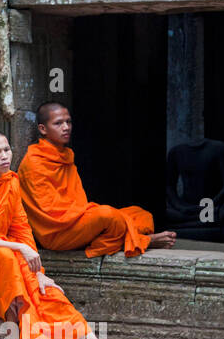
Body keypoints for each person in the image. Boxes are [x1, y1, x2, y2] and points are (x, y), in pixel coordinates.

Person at [0, 130, 128, 339]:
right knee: (6, 258)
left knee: (49, 292)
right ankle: (15, 331)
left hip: (8, 251)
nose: (4, 156)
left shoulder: (11, 181)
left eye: (7, 150)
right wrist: (20, 248)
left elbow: (20, 227)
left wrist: (38, 272)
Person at [17, 103, 176, 257]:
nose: (66, 127)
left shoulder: (65, 155)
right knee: (107, 216)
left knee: (141, 215)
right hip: (57, 233)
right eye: (58, 123)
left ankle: (121, 237)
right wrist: (91, 213)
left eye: (68, 122)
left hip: (77, 221)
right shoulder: (34, 163)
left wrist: (89, 214)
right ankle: (143, 240)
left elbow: (76, 202)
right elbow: (51, 213)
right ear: (43, 129)